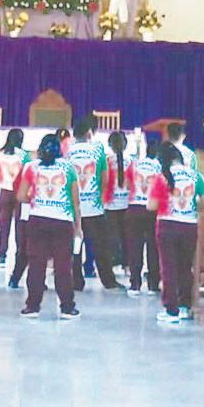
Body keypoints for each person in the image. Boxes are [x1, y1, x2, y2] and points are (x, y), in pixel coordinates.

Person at [16, 134, 82, 319]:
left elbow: (20, 196)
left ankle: (32, 306)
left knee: (36, 264)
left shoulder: (31, 167)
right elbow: (75, 201)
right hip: (63, 221)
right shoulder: (68, 168)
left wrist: (36, 198)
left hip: (37, 219)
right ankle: (67, 307)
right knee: (63, 266)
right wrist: (78, 226)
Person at [147, 143, 204, 324]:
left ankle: (171, 309)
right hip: (189, 226)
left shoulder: (162, 177)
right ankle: (185, 306)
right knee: (185, 267)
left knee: (168, 267)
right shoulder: (196, 175)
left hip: (167, 225)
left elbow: (151, 205)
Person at [67, 118, 123, 291]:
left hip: (74, 208)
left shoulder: (68, 151)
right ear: (89, 133)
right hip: (94, 208)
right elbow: (105, 178)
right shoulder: (98, 150)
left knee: (75, 246)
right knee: (101, 246)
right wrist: (100, 198)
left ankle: (76, 281)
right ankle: (108, 280)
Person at [126, 140, 162, 296]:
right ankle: (153, 284)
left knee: (135, 246)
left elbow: (127, 185)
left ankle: (135, 284)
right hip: (152, 209)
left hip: (134, 207)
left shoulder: (134, 164)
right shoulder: (159, 167)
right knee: (153, 246)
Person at [0, 129, 30, 265]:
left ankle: (1, 254)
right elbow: (28, 173)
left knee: (4, 225)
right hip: (20, 192)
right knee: (20, 225)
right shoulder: (24, 155)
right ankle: (20, 252)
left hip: (5, 191)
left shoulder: (0, 154)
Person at [106, 131, 134, 270]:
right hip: (128, 204)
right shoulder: (132, 161)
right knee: (127, 236)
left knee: (112, 235)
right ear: (125, 145)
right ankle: (127, 264)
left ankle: (114, 261)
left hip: (111, 205)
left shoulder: (108, 161)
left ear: (110, 145)